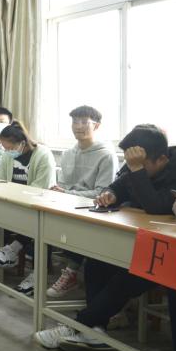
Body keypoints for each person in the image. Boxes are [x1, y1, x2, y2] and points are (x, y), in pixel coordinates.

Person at [34, 124, 176, 351]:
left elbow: (156, 205)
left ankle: (80, 326)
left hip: (171, 250)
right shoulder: (140, 162)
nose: (133, 167)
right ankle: (95, 331)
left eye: (140, 165)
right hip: (146, 240)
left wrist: (136, 169)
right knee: (97, 261)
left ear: (162, 160)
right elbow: (121, 185)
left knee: (127, 280)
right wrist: (110, 194)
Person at [45, 105, 118, 298]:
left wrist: (67, 193)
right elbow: (62, 185)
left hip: (95, 210)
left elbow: (103, 193)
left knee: (80, 226)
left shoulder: (106, 155)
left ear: (97, 126)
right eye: (75, 122)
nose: (78, 126)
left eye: (84, 122)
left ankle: (71, 272)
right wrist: (58, 191)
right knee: (40, 220)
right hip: (68, 205)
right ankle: (42, 272)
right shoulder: (68, 154)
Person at [0, 121, 57, 295]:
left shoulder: (43, 155)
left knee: (40, 226)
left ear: (22, 143)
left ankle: (34, 272)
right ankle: (10, 252)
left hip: (40, 205)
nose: (7, 151)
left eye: (10, 148)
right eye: (4, 148)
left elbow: (41, 188)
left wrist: (17, 199)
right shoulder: (8, 156)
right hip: (15, 204)